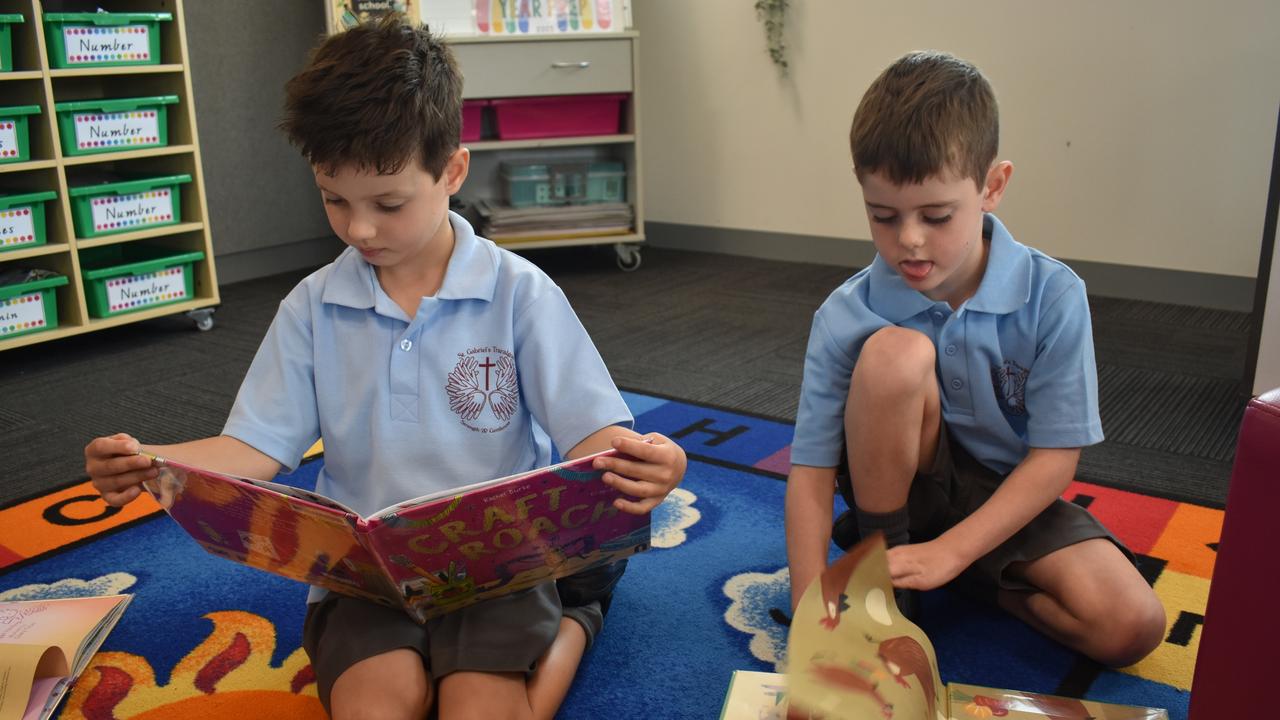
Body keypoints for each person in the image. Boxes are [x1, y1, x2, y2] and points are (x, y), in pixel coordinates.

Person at [84, 15, 687, 720]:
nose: (359, 229)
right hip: (363, 575)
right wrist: (151, 461)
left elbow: (593, 436)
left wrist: (653, 457)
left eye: (388, 203)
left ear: (453, 171)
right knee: (378, 705)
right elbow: (254, 447)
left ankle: (577, 622)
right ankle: (570, 619)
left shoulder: (520, 291)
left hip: (498, 570)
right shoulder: (312, 306)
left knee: (476, 707)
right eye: (334, 199)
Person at [784, 50, 1165, 668]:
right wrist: (809, 611)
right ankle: (886, 571)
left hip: (1009, 497)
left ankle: (971, 577)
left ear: (992, 187)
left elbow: (1054, 459)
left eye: (936, 217)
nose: (908, 239)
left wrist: (957, 553)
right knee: (894, 355)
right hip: (900, 490)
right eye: (883, 216)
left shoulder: (1054, 294)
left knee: (1133, 625)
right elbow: (811, 471)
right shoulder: (845, 313)